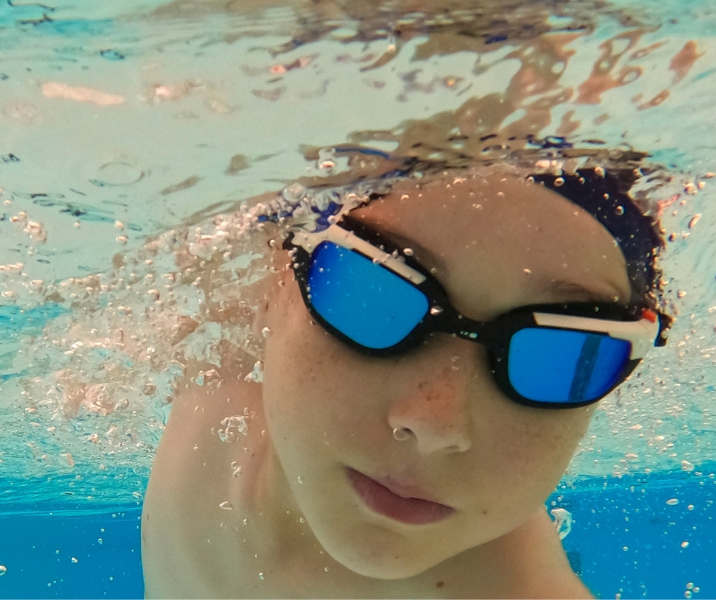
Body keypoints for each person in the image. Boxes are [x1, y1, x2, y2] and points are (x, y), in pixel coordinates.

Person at [139, 142, 671, 598]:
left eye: (562, 353)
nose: (435, 426)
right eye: (373, 298)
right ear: (274, 286)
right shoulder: (210, 371)